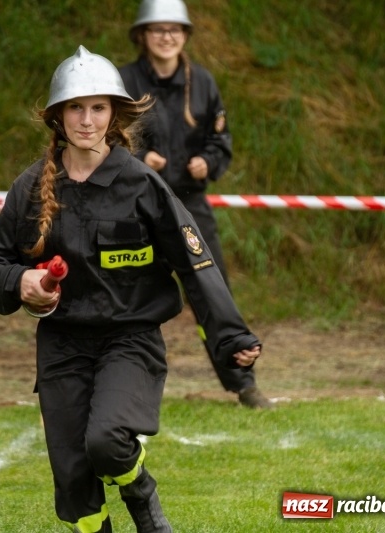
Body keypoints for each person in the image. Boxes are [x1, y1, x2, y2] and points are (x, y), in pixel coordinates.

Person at [0, 45, 263, 533]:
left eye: (98, 108)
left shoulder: (142, 185)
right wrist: (19, 281)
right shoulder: (29, 188)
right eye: (75, 108)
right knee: (73, 486)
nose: (87, 120)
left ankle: (141, 495)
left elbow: (196, 264)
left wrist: (230, 337)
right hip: (62, 344)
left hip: (130, 339)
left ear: (115, 115)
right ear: (57, 117)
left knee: (106, 441)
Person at [118, 0, 273, 409]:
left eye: (174, 29)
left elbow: (221, 140)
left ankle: (243, 383)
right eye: (157, 29)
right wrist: (137, 159)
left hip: (190, 206)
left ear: (185, 35)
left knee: (212, 291)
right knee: (124, 294)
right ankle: (118, 387)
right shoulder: (124, 80)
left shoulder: (202, 82)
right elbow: (106, 136)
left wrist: (209, 161)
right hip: (133, 206)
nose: (166, 37)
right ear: (142, 36)